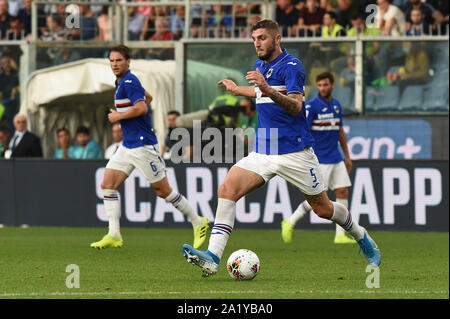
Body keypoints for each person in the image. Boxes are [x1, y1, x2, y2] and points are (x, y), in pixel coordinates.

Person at [181, 19, 381, 277]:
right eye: (254, 39)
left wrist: (265, 88)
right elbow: (259, 92)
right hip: (263, 151)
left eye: (262, 38)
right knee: (227, 189)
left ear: (277, 39)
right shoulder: (260, 65)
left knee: (323, 209)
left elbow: (296, 106)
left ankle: (361, 236)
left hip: (295, 152)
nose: (257, 43)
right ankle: (213, 257)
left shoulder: (292, 66)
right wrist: (239, 89)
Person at [90, 45, 209, 250]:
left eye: (119, 60)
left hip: (143, 145)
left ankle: (198, 221)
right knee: (107, 184)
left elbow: (142, 106)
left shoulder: (129, 80)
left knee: (163, 191)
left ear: (128, 62)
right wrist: (133, 108)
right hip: (128, 145)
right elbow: (148, 98)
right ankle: (114, 234)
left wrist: (119, 116)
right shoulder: (122, 82)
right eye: (111, 61)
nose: (115, 64)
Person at [281, 72, 356, 245]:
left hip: (336, 157)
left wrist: (347, 155)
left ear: (332, 85)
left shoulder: (336, 105)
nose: (323, 88)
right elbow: (303, 130)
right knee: (318, 200)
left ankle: (340, 234)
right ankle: (290, 221)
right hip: (320, 159)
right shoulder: (312, 107)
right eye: (320, 85)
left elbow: (340, 131)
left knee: (343, 191)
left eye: (326, 85)